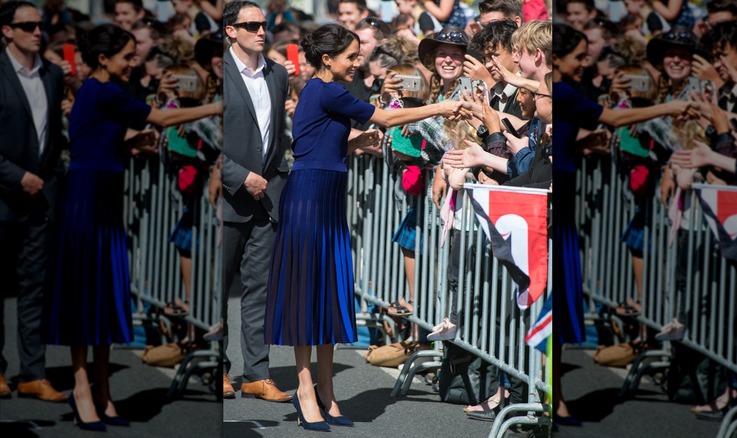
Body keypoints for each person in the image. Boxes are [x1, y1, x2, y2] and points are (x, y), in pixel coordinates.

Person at [263, 22, 463, 431]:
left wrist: (352, 144)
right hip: (310, 197)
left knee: (323, 291)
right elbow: (386, 120)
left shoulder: (322, 92)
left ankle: (326, 390)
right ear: (326, 59)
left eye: (358, 55)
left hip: (322, 192)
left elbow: (313, 142)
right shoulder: (326, 89)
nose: (357, 62)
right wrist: (439, 108)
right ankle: (306, 391)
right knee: (307, 294)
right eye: (351, 57)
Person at [43, 23, 221, 431]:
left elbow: (96, 137)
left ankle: (103, 389)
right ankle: (83, 387)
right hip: (86, 199)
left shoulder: (103, 91)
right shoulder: (100, 89)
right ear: (103, 60)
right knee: (87, 292)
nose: (133, 61)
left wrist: (126, 144)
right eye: (126, 56)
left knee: (104, 291)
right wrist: (215, 107)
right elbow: (159, 116)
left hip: (103, 194)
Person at [551, 22, 694, 427]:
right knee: (555, 305)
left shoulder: (563, 91)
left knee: (558, 307)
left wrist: (578, 143)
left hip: (560, 206)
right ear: (556, 58)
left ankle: (556, 398)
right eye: (578, 56)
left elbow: (570, 132)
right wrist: (667, 108)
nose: (585, 62)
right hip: (554, 210)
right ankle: (554, 399)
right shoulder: (559, 89)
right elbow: (613, 117)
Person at [220, 0, 293, 403]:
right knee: (217, 290)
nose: (260, 31)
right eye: (250, 25)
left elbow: (276, 137)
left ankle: (256, 374)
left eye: (264, 24)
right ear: (231, 30)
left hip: (267, 199)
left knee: (260, 291)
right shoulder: (221, 71)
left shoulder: (278, 74)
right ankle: (219, 369)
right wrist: (237, 175)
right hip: (227, 197)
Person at [0, 0, 68, 402]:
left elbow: (53, 139)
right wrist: (14, 176)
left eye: (39, 25)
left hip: (41, 199)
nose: (37, 31)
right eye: (27, 25)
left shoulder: (53, 75)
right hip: (5, 195)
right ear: (7, 30)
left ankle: (33, 372)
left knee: (35, 289)